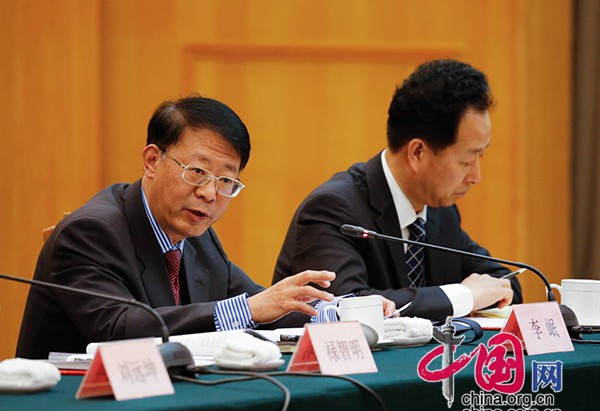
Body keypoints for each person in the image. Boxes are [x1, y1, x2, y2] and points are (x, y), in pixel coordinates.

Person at [16, 95, 395, 359]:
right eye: (197, 172)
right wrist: (250, 308)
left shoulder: (196, 234)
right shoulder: (91, 232)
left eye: (227, 181)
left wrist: (342, 312)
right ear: (152, 161)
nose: (210, 193)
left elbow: (263, 303)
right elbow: (119, 328)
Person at [273, 59, 522, 321]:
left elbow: (504, 282)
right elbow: (348, 309)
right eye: (466, 161)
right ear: (418, 153)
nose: (476, 176)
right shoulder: (333, 209)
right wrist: (462, 297)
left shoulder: (439, 212)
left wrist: (482, 293)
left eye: (481, 157)